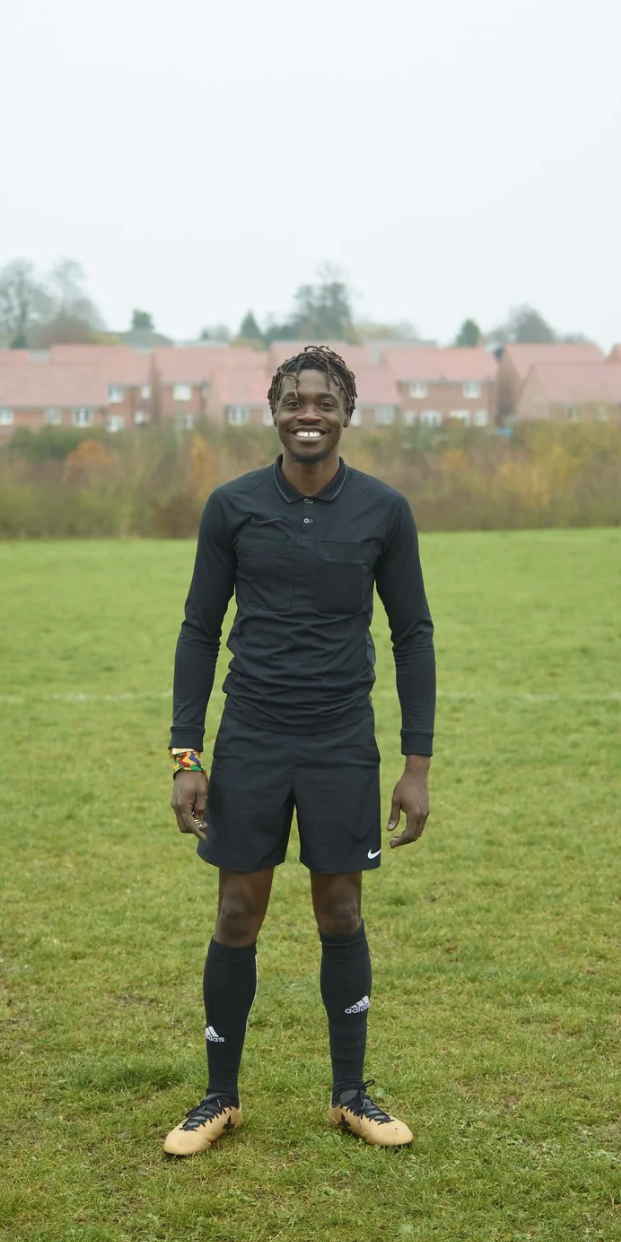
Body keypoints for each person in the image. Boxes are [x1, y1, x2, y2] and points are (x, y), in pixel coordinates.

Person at [162, 345, 434, 1156]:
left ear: (349, 411)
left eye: (324, 400)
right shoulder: (233, 506)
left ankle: (351, 1096)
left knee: (340, 911)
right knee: (238, 912)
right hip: (250, 737)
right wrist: (187, 757)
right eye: (293, 400)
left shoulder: (384, 511)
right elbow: (198, 632)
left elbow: (413, 635)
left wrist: (416, 766)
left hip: (341, 742)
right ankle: (218, 1099)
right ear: (273, 410)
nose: (307, 413)